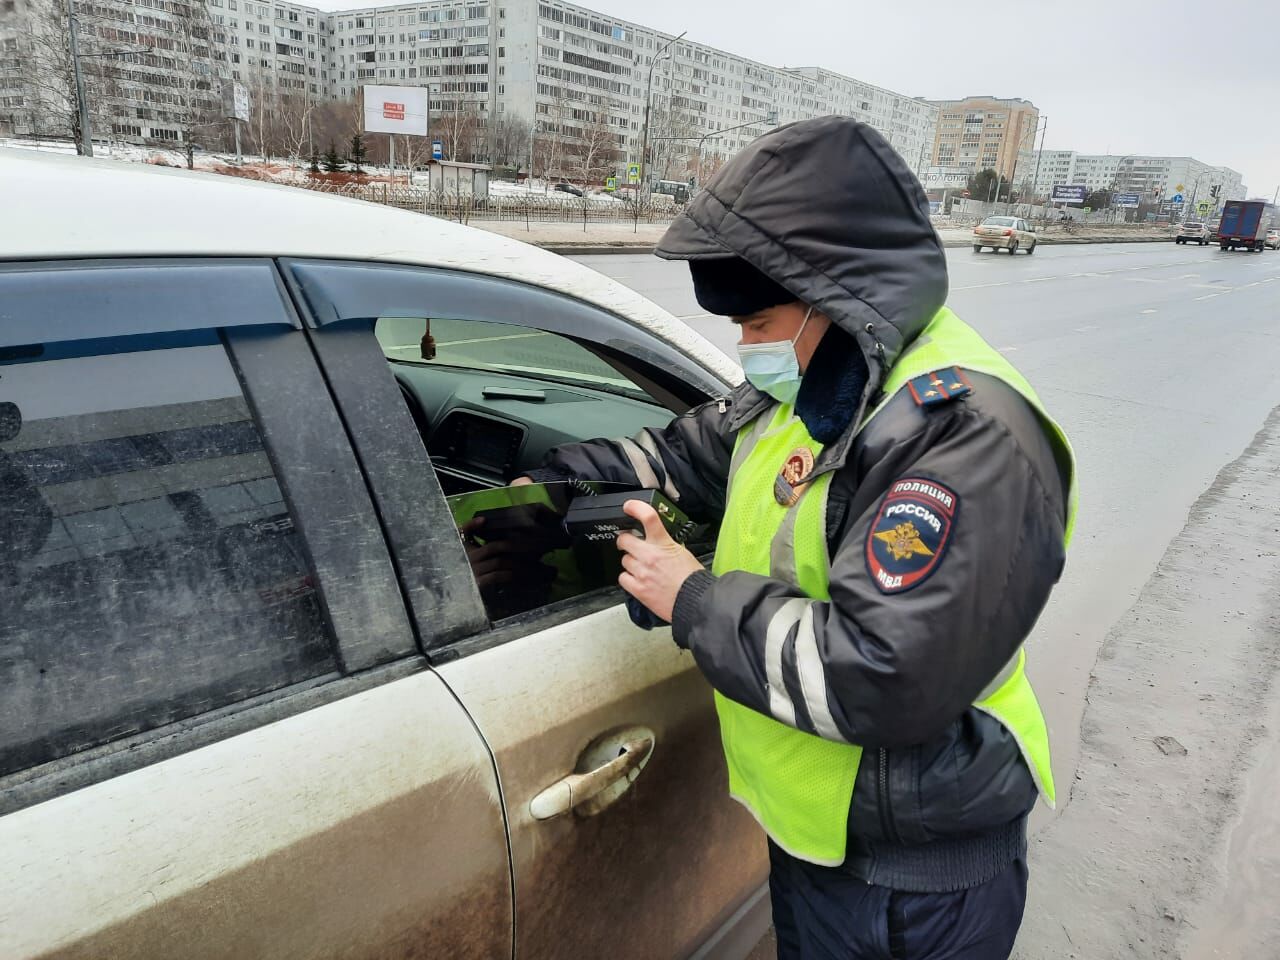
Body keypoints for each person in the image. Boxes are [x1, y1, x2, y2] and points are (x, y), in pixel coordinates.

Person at [518, 116, 1075, 959]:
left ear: (836, 298)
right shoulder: (808, 392)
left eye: (760, 319)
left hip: (914, 882)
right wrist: (543, 492)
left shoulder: (961, 435)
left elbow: (884, 674)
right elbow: (677, 457)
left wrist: (691, 598)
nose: (746, 347)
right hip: (818, 843)